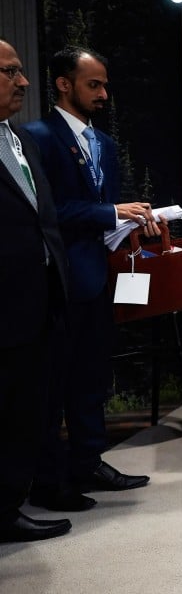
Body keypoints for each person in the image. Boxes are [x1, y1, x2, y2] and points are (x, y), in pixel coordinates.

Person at [24, 46, 159, 511]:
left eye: (104, 84)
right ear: (64, 84)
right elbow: (45, 212)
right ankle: (49, 479)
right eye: (93, 84)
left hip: (99, 277)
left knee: (92, 377)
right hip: (55, 282)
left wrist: (135, 219)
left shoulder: (102, 142)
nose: (104, 93)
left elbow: (103, 213)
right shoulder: (34, 137)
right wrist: (109, 211)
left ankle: (88, 462)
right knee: (53, 385)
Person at [0, 39, 73, 542]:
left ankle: (8, 506)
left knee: (24, 411)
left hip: (36, 301)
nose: (24, 82)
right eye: (10, 71)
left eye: (21, 71)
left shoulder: (21, 141)